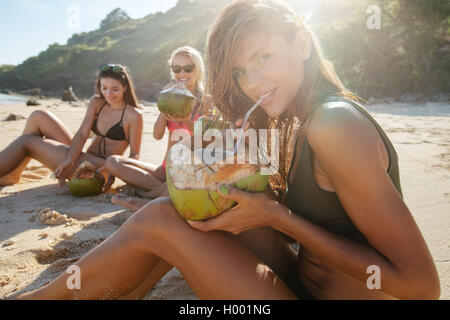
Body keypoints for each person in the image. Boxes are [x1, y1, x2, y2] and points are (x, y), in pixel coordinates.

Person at [16, 0, 440, 300]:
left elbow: (421, 288)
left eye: (264, 57)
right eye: (240, 71)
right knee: (176, 214)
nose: (252, 82)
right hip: (300, 276)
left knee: (162, 221)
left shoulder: (334, 124)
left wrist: (277, 218)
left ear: (304, 44)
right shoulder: (292, 118)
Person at [0, 64, 143, 192]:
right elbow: (81, 134)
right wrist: (70, 159)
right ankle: (13, 174)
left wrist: (117, 173)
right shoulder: (97, 102)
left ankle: (9, 173)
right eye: (104, 88)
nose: (108, 94)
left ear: (125, 87)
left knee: (27, 141)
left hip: (99, 169)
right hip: (81, 157)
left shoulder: (133, 115)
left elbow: (134, 155)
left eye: (115, 89)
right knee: (38, 115)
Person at [109, 46, 205, 210]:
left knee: (186, 175)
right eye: (176, 69)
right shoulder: (169, 92)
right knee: (113, 162)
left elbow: (207, 139)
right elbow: (157, 134)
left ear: (198, 69)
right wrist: (164, 104)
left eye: (188, 68)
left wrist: (186, 121)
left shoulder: (206, 100)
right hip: (165, 167)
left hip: (188, 168)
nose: (182, 74)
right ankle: (160, 191)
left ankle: (147, 196)